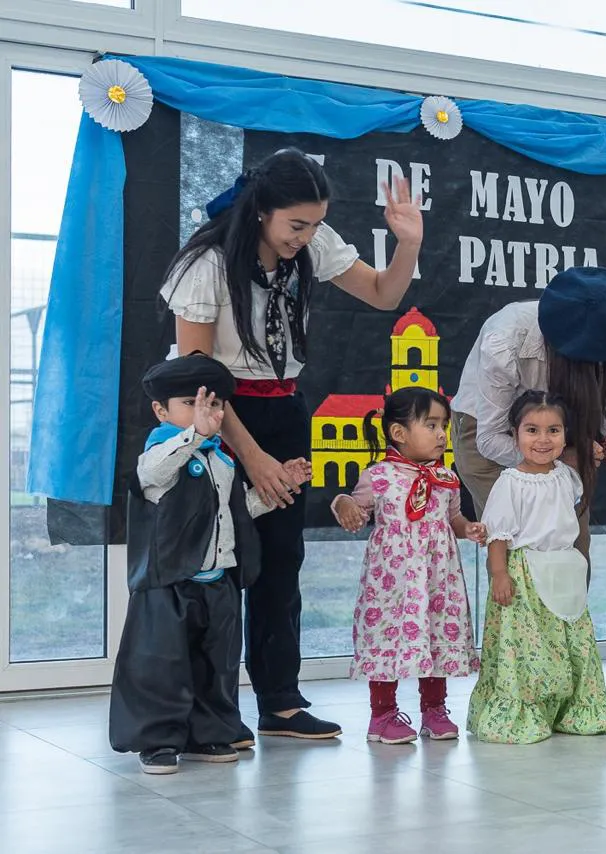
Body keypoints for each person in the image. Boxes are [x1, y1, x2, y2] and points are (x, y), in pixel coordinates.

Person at [161, 147, 425, 742]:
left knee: (282, 561)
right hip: (216, 417)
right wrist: (253, 458)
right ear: (261, 212)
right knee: (217, 564)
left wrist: (407, 242)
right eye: (295, 225)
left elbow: (384, 294)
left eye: (313, 224)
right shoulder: (205, 265)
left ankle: (279, 702)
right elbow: (198, 378)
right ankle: (210, 711)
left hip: (284, 408)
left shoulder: (313, 243)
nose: (304, 238)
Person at [109, 354, 309, 774]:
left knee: (216, 664)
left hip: (217, 581)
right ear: (161, 410)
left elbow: (235, 511)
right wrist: (193, 437)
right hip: (170, 584)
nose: (208, 413)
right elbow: (152, 477)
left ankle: (210, 733)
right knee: (162, 664)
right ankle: (159, 741)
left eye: (216, 405)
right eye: (192, 403)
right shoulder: (159, 455)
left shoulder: (222, 460)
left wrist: (279, 486)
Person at [467, 391, 606, 744]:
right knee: (529, 646)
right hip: (525, 576)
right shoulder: (511, 482)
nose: (543, 440)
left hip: (564, 570)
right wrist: (499, 574)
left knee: (569, 641)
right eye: (532, 430)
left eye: (553, 430)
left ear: (565, 435)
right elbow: (498, 535)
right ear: (515, 433)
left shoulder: (567, 476)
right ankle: (526, 707)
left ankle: (571, 704)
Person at [451, 267, 606, 564]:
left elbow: (605, 396)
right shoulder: (505, 337)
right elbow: (489, 440)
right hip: (492, 433)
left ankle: (572, 611)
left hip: (559, 440)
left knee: (571, 545)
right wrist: (561, 458)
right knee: (515, 550)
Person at [330, 387, 486, 744]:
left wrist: (468, 529)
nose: (441, 434)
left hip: (436, 577)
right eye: (431, 425)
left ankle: (435, 710)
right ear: (398, 433)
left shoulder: (446, 478)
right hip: (393, 581)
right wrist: (343, 506)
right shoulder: (379, 475)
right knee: (388, 635)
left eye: (443, 426)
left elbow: (454, 518)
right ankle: (382, 715)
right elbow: (353, 503)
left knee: (433, 634)